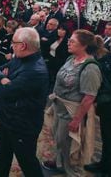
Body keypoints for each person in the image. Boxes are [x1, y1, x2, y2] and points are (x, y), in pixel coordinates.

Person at [0, 28, 48, 177]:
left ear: (23, 45)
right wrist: (3, 79)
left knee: (27, 162)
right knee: (3, 152)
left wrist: (4, 81)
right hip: (8, 117)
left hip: (22, 125)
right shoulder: (20, 58)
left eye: (14, 43)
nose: (12, 45)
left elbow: (6, 92)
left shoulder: (35, 70)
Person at [43, 30, 102, 176]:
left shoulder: (90, 68)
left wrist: (76, 120)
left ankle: (70, 170)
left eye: (72, 41)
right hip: (60, 106)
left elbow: (89, 97)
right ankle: (59, 162)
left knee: (69, 143)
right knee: (59, 138)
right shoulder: (71, 58)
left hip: (72, 111)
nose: (68, 42)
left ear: (84, 45)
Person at [84, 37, 111, 175]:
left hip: (108, 101)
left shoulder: (105, 59)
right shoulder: (105, 58)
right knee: (107, 136)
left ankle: (107, 170)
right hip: (105, 101)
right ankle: (104, 164)